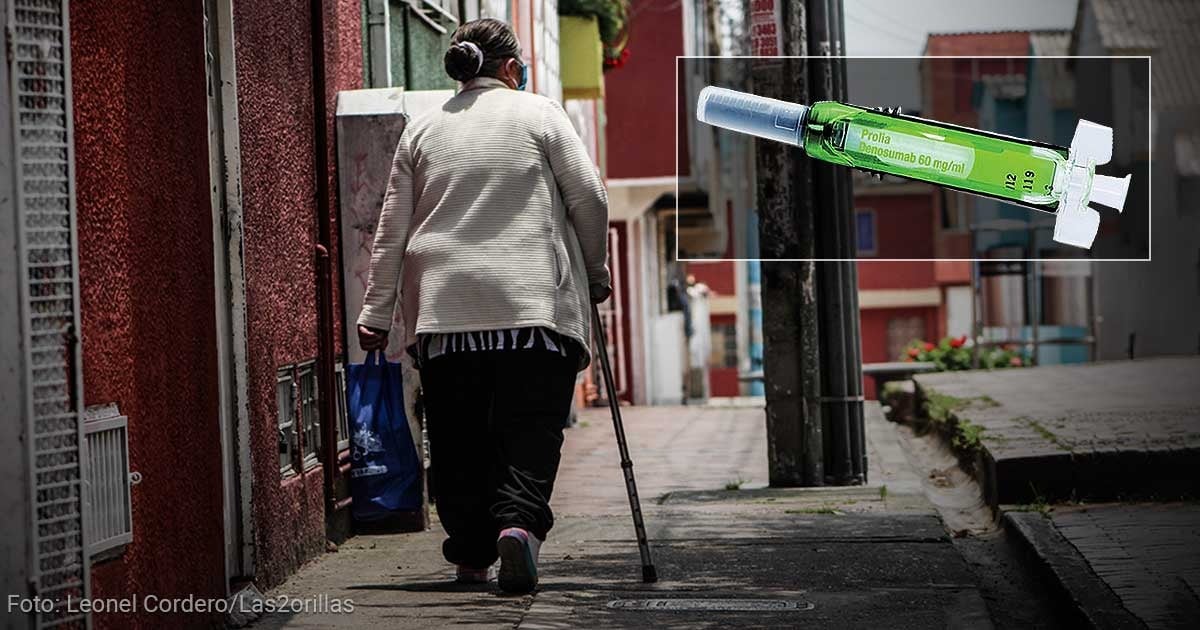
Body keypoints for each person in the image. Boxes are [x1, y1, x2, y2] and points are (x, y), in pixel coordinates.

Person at [355, 18, 610, 594]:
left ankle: (471, 554)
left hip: (446, 316)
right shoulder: (541, 114)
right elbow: (589, 197)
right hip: (532, 311)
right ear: (511, 68)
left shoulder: (423, 130)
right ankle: (517, 527)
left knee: (458, 439)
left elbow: (391, 228)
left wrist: (376, 313)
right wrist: (595, 274)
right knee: (530, 430)